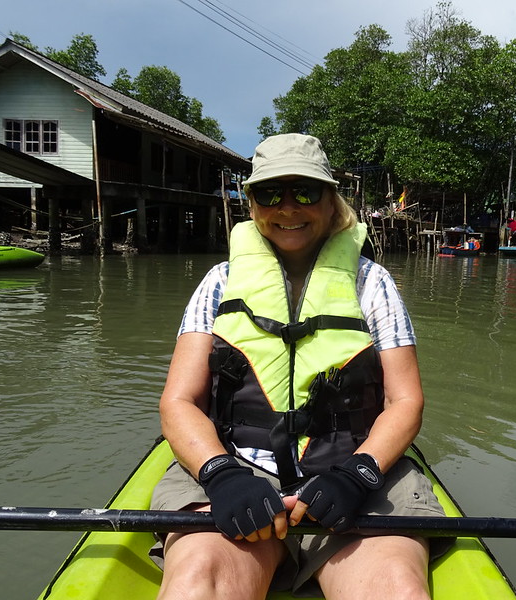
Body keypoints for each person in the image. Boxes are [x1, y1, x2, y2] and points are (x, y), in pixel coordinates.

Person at [150, 133, 449, 599]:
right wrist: (221, 474)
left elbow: (405, 400)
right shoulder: (218, 283)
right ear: (252, 204)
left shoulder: (373, 283)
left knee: (396, 589)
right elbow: (178, 401)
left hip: (353, 474)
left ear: (332, 202)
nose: (288, 208)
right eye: (271, 193)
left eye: (306, 192)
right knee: (196, 583)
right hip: (239, 469)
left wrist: (359, 473)